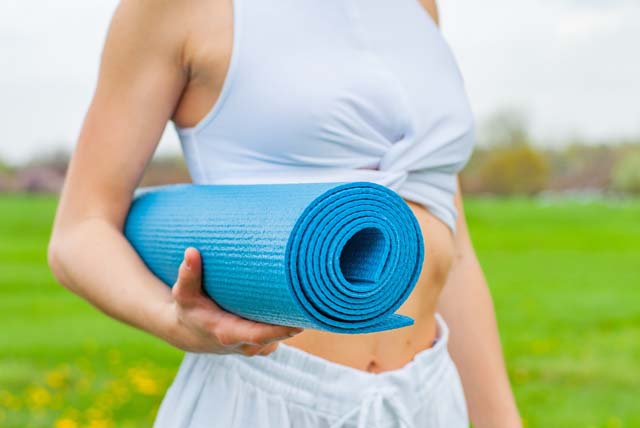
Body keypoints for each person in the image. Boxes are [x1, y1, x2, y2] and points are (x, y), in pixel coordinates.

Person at [48, 0, 522, 426]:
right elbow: (80, 230)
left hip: (429, 397)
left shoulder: (421, 8)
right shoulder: (177, 8)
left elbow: (452, 252)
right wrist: (170, 319)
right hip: (265, 392)